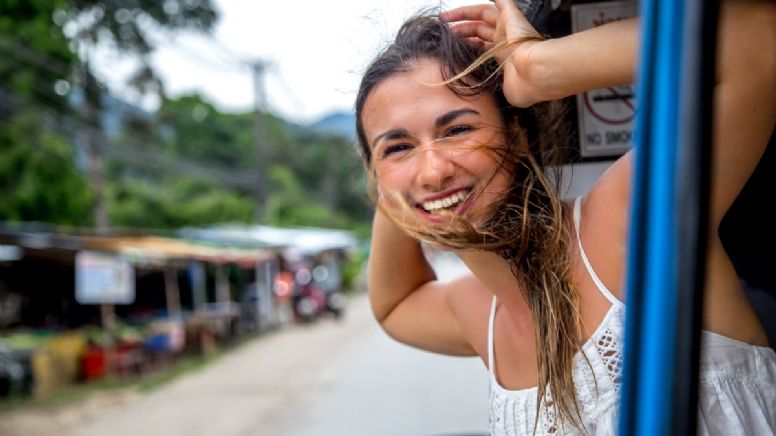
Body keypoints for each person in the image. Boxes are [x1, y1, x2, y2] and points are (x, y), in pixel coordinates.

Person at [355, 0, 776, 435]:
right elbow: (393, 305)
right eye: (398, 146)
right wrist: (397, 182)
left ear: (517, 137)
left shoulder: (626, 220)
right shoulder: (482, 313)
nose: (434, 170)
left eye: (458, 130)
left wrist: (536, 66)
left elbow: (756, 39)